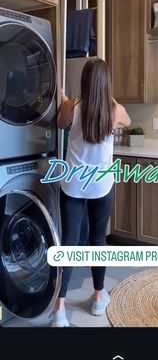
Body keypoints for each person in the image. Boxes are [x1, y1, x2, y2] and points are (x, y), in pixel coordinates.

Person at [51, 58, 131, 327]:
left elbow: (61, 123)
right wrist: (112, 105)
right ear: (106, 83)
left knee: (69, 244)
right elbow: (128, 122)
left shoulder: (72, 108)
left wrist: (64, 99)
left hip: (72, 185)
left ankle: (59, 310)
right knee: (98, 241)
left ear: (84, 82)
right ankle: (99, 298)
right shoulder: (115, 110)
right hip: (101, 187)